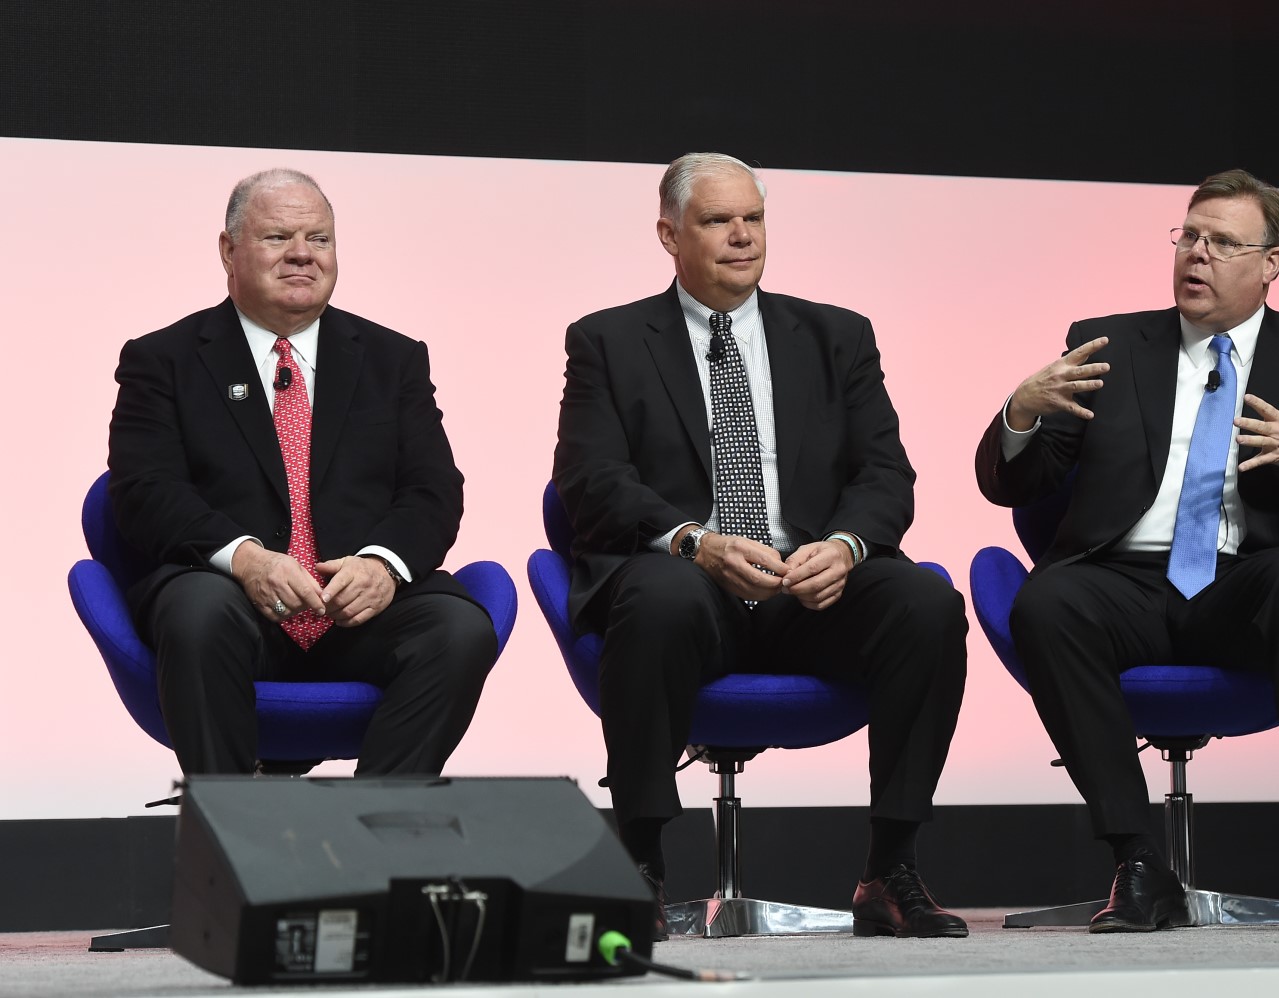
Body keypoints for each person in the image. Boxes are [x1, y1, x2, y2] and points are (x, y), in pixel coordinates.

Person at [553, 152, 969, 939]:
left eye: (754, 218)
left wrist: (845, 546)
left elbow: (886, 473)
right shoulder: (608, 340)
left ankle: (890, 869)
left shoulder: (837, 336)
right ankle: (639, 862)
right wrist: (693, 542)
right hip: (692, 583)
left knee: (926, 605)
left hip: (809, 587)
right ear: (669, 235)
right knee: (659, 594)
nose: (742, 236)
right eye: (718, 221)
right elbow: (590, 479)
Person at [976, 169, 1279, 933]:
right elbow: (1016, 486)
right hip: (1123, 579)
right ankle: (1138, 864)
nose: (1196, 255)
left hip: (1248, 583)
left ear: (1271, 262)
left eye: (1223, 242)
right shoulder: (1108, 344)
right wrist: (1019, 415)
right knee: (1046, 599)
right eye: (1189, 237)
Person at [108, 168, 498, 778]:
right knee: (198, 613)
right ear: (227, 250)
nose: (301, 254)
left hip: (356, 610)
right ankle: (235, 842)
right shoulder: (164, 359)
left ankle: (374, 838)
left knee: (458, 629)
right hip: (233, 600)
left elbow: (433, 489)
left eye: (319, 239)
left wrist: (383, 565)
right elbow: (143, 493)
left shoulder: (393, 359)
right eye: (278, 237)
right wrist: (247, 560)